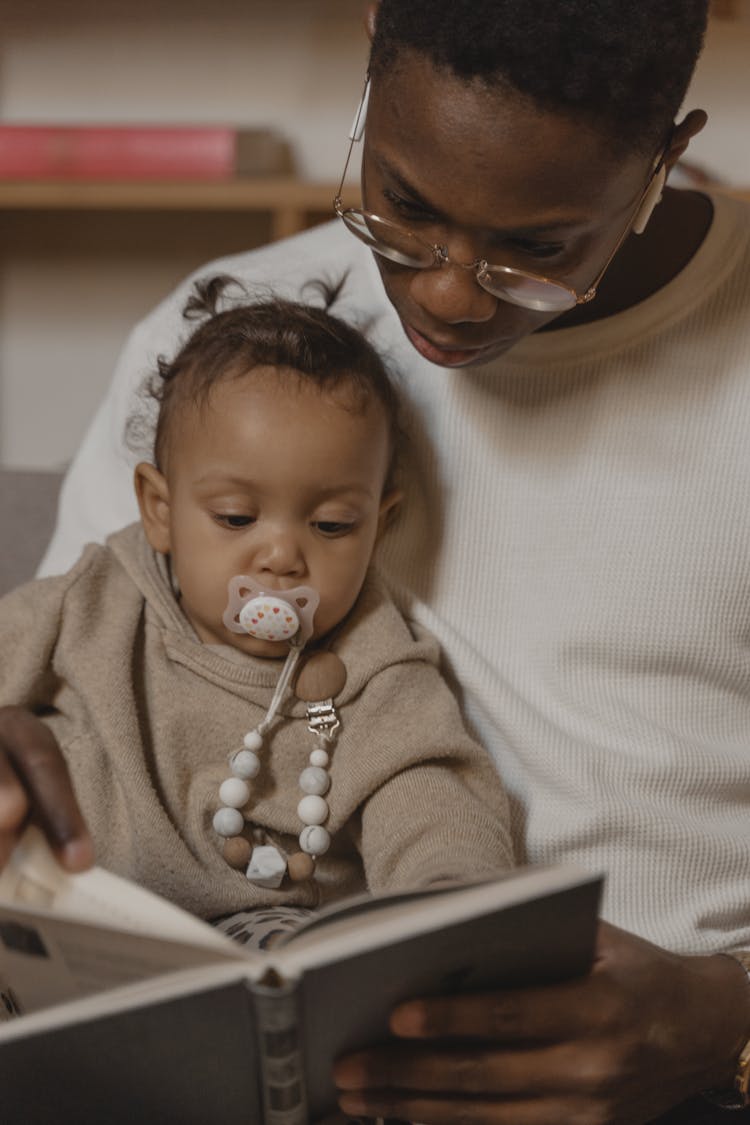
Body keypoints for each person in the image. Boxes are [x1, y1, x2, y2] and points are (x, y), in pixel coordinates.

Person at [2, 0, 749, 1120]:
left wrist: (731, 1024)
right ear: (372, 60)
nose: (445, 296)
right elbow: (75, 674)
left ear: (662, 158)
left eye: (536, 251)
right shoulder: (219, 342)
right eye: (402, 208)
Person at [0, 276, 513, 932]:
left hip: (254, 933)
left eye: (330, 525)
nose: (280, 556)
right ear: (161, 511)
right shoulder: (96, 600)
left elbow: (431, 799)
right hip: (70, 911)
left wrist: (447, 894)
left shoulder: (373, 669)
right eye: (237, 517)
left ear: (379, 528)